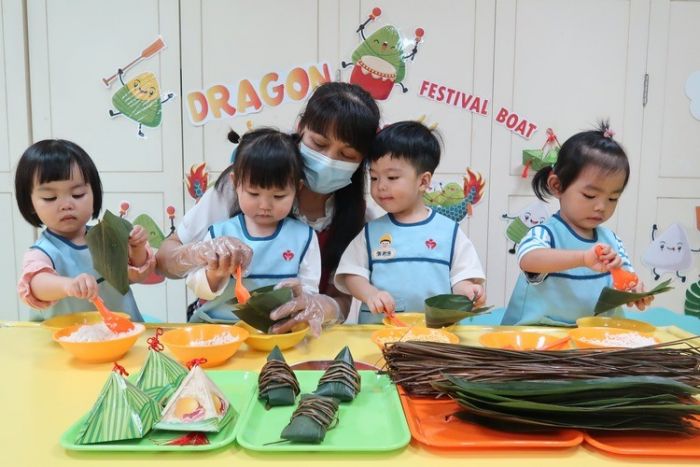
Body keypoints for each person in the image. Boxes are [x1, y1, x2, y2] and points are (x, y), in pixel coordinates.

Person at [156, 82, 381, 335]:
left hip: (293, 338)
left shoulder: (357, 214)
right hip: (223, 332)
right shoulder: (241, 187)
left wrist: (322, 306)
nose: (328, 160)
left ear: (362, 161)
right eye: (319, 144)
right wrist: (201, 253)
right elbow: (164, 260)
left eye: (347, 155)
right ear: (301, 129)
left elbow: (341, 298)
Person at [501, 122, 653, 326]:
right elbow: (529, 260)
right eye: (590, 195)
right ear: (557, 186)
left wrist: (634, 290)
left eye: (612, 198)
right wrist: (583, 258)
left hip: (593, 336)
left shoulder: (612, 242)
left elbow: (626, 279)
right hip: (542, 333)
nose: (601, 207)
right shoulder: (545, 234)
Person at [334, 121, 486, 323]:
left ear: (423, 181)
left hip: (435, 332)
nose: (381, 186)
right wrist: (370, 294)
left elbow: (462, 276)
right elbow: (352, 274)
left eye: (392, 177)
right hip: (379, 330)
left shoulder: (449, 232)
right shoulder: (371, 232)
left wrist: (467, 289)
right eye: (374, 178)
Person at [186, 128, 320, 323]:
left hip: (277, 331)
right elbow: (197, 287)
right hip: (221, 327)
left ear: (297, 189)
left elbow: (309, 293)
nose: (265, 205)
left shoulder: (303, 237)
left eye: (278, 196)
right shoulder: (219, 234)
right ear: (235, 183)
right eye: (254, 194)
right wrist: (215, 274)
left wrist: (301, 297)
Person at [15, 139, 154, 321]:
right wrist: (68, 285)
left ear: (94, 194)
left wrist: (137, 248)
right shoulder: (43, 251)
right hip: (68, 336)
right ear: (30, 203)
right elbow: (36, 285)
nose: (66, 205)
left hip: (123, 330)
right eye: (50, 197)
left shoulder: (108, 237)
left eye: (77, 194)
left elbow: (137, 273)